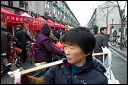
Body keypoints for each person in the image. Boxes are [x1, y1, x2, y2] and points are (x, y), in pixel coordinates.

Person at [21, 26, 108, 84]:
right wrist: (26, 79)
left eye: (72, 47)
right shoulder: (58, 67)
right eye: (65, 46)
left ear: (87, 52)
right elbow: (44, 82)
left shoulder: (99, 80)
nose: (66, 51)